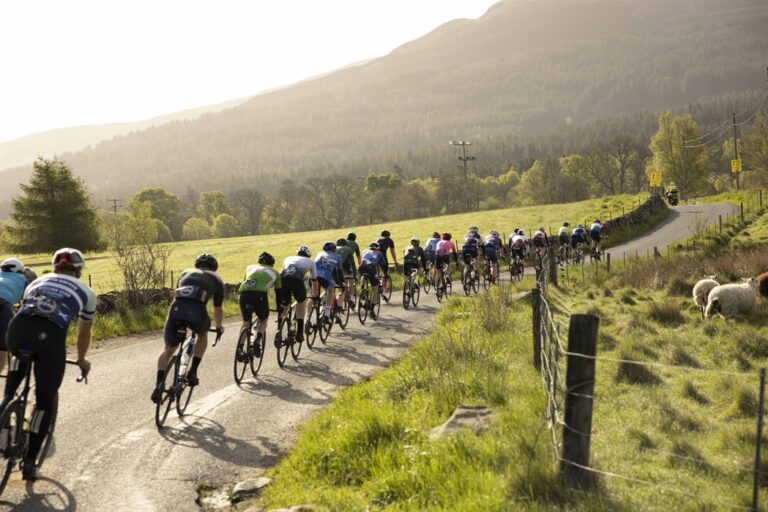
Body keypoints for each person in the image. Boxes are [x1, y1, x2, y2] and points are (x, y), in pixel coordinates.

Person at [1, 248, 95, 481]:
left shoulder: (36, 281)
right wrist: (82, 358)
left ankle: (5, 409)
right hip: (49, 339)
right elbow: (84, 334)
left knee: (15, 371)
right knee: (44, 402)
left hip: (17, 331)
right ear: (79, 271)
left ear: (55, 267)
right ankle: (30, 462)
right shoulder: (87, 292)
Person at [152, 253, 224, 403]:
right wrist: (218, 326)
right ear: (213, 268)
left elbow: (179, 293)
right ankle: (193, 371)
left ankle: (159, 385)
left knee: (168, 350)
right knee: (202, 334)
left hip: (176, 309)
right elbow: (217, 309)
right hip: (196, 311)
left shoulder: (185, 272)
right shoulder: (216, 278)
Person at [238, 252, 281, 352]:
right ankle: (258, 339)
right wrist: (279, 307)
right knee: (263, 318)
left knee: (246, 322)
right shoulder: (275, 272)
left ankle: (240, 348)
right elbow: (278, 292)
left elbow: (245, 280)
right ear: (272, 264)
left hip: (244, 293)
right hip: (259, 295)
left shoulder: (250, 267)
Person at [278, 246, 318, 343]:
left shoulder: (288, 258)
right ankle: (299, 333)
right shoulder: (311, 262)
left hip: (283, 281)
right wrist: (315, 295)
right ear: (308, 256)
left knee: (285, 305)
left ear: (297, 254)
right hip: (297, 282)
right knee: (301, 303)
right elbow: (314, 280)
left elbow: (282, 272)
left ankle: (279, 330)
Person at [0, 258, 28, 374]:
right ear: (20, 271)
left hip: (4, 305)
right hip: (2, 305)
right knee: (2, 348)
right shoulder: (23, 280)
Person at [315, 241, 344, 322]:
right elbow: (339, 273)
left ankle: (307, 319)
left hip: (313, 277)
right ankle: (327, 315)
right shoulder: (338, 257)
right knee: (331, 291)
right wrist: (342, 283)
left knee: (313, 296)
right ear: (334, 249)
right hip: (326, 277)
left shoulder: (319, 254)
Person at [359, 242, 387, 319]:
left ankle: (362, 289)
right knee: (375, 288)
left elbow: (362, 260)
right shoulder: (379, 253)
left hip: (361, 267)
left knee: (364, 275)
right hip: (371, 268)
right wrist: (384, 273)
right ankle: (371, 310)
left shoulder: (365, 251)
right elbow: (383, 265)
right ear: (377, 248)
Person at [335, 238, 356, 310]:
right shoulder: (348, 249)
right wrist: (355, 275)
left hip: (335, 268)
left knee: (338, 286)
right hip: (345, 267)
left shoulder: (334, 248)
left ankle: (336, 302)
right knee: (351, 281)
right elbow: (352, 263)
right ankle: (351, 298)